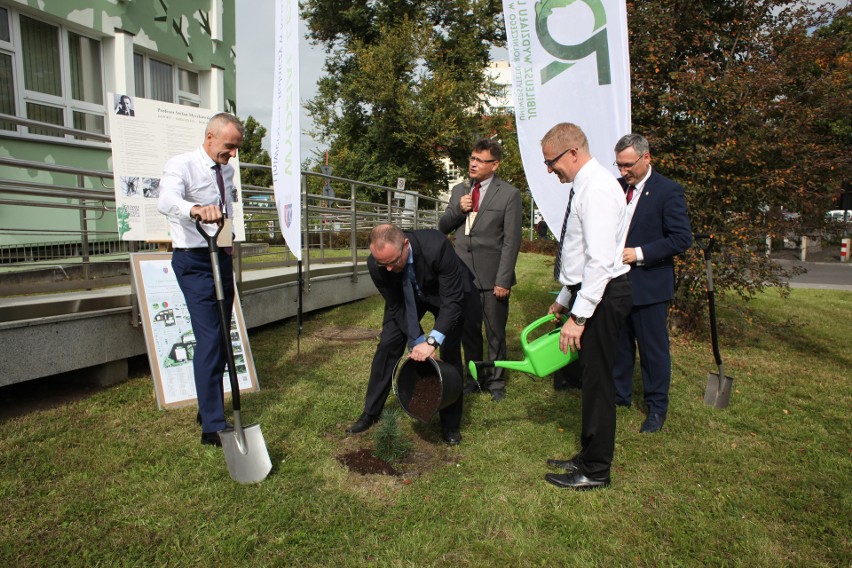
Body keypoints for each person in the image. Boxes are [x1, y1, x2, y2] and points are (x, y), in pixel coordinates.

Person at [540, 123, 632, 490]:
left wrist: (579, 315)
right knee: (589, 381)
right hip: (591, 291)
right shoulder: (586, 186)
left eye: (552, 162)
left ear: (573, 153)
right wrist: (565, 298)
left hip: (604, 295)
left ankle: (596, 470)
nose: (550, 170)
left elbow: (600, 262)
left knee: (597, 384)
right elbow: (581, 256)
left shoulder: (596, 190)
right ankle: (588, 453)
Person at [346, 224, 482, 445]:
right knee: (388, 344)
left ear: (405, 245)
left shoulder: (436, 246)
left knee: (450, 352)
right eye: (383, 264)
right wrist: (417, 339)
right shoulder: (377, 263)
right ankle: (371, 412)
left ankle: (450, 424)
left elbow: (452, 302)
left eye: (392, 262)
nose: (387, 269)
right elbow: (397, 306)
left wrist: (431, 341)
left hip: (448, 294)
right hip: (409, 297)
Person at [157, 113, 245, 447]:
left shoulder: (227, 170)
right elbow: (166, 200)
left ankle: (207, 403)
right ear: (210, 136)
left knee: (224, 337)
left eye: (236, 148)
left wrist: (229, 238)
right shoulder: (181, 164)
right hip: (194, 261)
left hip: (219, 256)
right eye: (229, 146)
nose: (233, 154)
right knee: (210, 338)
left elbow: (226, 207)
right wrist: (195, 209)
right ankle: (212, 424)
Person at [611, 134, 692, 433]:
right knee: (619, 346)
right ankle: (619, 397)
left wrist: (640, 254)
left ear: (647, 158)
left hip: (650, 287)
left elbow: (682, 238)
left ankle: (656, 408)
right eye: (619, 165)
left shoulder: (668, 191)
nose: (623, 172)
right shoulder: (616, 188)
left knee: (652, 351)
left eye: (628, 165)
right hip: (617, 285)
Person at [438, 139, 522, 401]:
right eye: (472, 158)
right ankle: (474, 379)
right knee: (469, 332)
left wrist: (504, 279)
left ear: (494, 165)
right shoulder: (459, 190)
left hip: (493, 277)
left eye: (480, 160)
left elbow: (511, 241)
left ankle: (496, 383)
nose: (473, 164)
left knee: (495, 333)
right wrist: (458, 210)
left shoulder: (509, 194)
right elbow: (443, 226)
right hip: (463, 277)